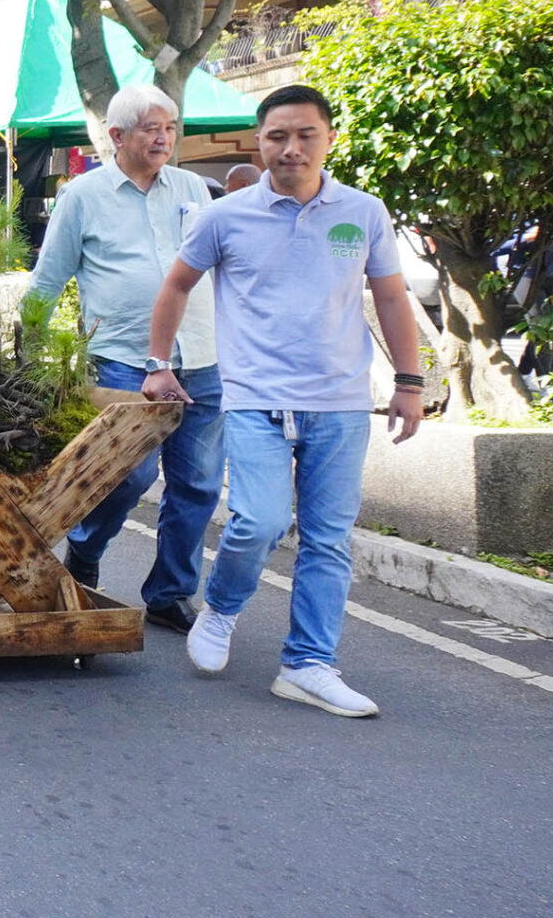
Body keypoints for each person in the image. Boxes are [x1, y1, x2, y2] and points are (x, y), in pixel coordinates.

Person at [146, 85, 425, 718]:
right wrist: (159, 366)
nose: (291, 148)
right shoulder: (225, 215)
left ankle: (307, 664)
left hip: (341, 400)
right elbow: (176, 286)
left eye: (305, 135)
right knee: (259, 520)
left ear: (329, 138)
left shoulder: (364, 212)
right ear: (260, 141)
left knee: (328, 539)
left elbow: (389, 298)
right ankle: (220, 607)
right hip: (254, 397)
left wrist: (409, 383)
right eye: (277, 136)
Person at [25, 84, 221, 630]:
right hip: (121, 359)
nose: (164, 138)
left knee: (199, 482)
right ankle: (86, 550)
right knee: (126, 478)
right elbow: (47, 281)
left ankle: (170, 593)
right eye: (151, 129)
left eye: (170, 128)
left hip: (200, 356)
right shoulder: (82, 196)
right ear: (116, 136)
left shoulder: (192, 190)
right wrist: (34, 358)